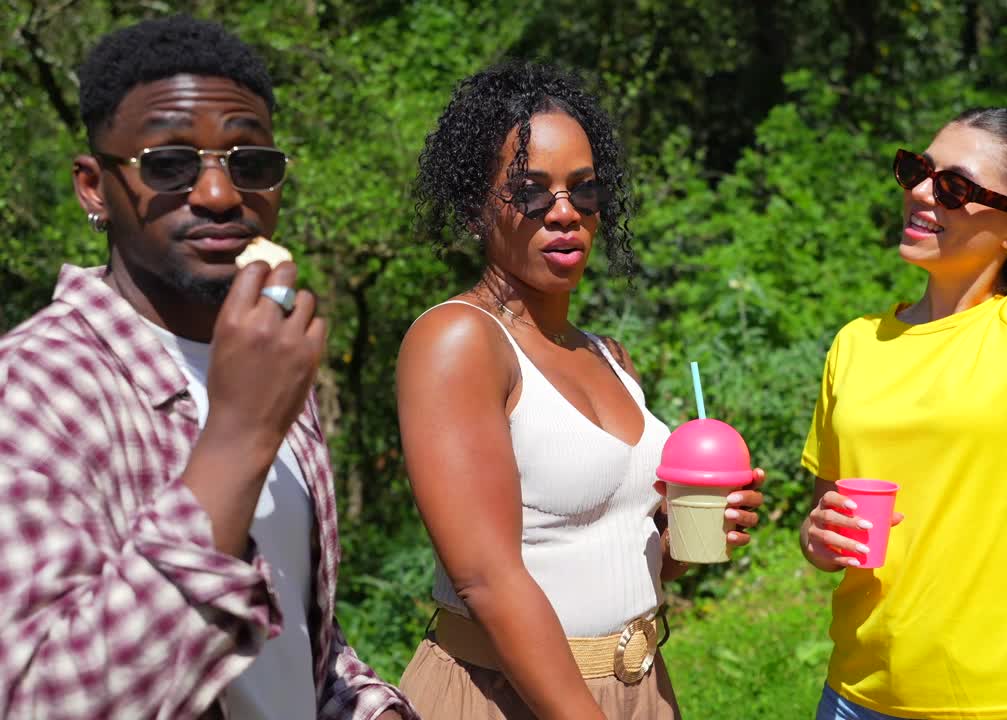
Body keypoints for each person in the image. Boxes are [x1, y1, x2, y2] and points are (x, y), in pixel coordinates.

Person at [0, 16, 415, 720]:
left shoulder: (269, 355)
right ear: (94, 187)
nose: (221, 195)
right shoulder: (34, 387)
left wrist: (373, 707)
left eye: (250, 162)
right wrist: (239, 436)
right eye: (169, 163)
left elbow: (291, 632)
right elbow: (42, 698)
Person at [799, 2, 1007, 719]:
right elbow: (832, 512)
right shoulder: (856, 344)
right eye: (918, 169)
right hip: (857, 699)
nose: (922, 193)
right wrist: (816, 536)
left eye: (955, 187)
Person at [394, 61, 766, 719]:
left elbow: (620, 550)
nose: (564, 213)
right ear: (474, 205)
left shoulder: (607, 357)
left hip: (639, 688)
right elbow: (486, 579)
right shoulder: (459, 342)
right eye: (531, 192)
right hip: (507, 695)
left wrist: (690, 533)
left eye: (584, 191)